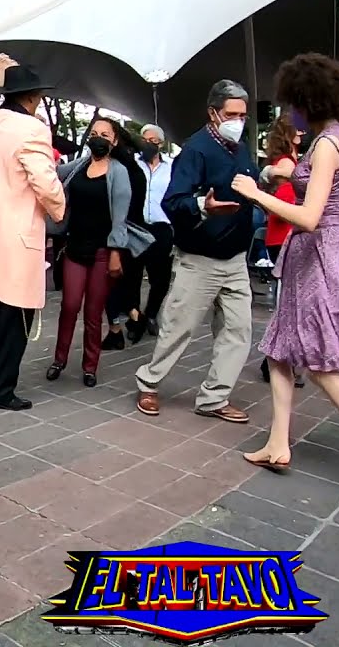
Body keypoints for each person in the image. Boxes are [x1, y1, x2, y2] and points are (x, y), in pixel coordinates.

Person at [233, 54, 339, 471]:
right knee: (280, 352)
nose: (289, 112)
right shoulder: (331, 138)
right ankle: (277, 444)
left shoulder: (327, 144)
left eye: (292, 103)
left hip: (317, 258)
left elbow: (310, 217)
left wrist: (256, 194)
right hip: (310, 256)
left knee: (318, 363)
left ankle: (278, 444)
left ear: (308, 99)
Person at [134, 80, 258, 423]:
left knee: (238, 330)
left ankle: (214, 398)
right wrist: (204, 205)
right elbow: (173, 201)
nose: (238, 121)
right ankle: (149, 383)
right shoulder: (196, 150)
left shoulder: (241, 149)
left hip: (236, 258)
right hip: (200, 259)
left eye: (243, 115)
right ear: (213, 113)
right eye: (231, 114)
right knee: (178, 328)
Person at [0, 53, 66, 411]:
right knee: (15, 322)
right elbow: (46, 183)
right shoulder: (32, 129)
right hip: (16, 241)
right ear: (33, 97)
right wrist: (60, 210)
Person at [46, 116, 152, 387]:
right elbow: (51, 172)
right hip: (75, 248)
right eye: (94, 133)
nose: (98, 138)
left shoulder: (119, 172)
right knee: (69, 305)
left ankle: (90, 366)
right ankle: (59, 359)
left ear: (114, 141)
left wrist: (116, 252)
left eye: (105, 135)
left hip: (103, 251)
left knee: (94, 312)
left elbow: (120, 218)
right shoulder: (79, 166)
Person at [105, 123, 174, 347]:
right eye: (145, 140)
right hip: (136, 227)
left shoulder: (171, 167)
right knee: (132, 275)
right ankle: (135, 321)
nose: (148, 144)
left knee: (160, 278)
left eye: (153, 141)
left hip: (162, 227)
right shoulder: (132, 165)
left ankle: (151, 313)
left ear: (161, 144)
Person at [258, 115, 305, 387]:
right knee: (289, 303)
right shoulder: (287, 163)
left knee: (289, 302)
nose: (303, 131)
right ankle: (275, 361)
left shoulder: (289, 161)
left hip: (283, 237)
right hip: (284, 237)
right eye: (298, 127)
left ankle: (275, 361)